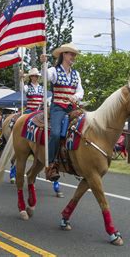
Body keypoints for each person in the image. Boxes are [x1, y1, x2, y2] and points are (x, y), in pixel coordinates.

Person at [40, 43, 84, 181]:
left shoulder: (76, 73)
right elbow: (45, 77)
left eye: (74, 55)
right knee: (55, 133)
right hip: (58, 107)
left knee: (85, 128)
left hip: (72, 108)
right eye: (71, 54)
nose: (73, 57)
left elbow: (80, 90)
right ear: (64, 54)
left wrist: (75, 97)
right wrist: (43, 64)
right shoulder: (54, 70)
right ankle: (51, 164)